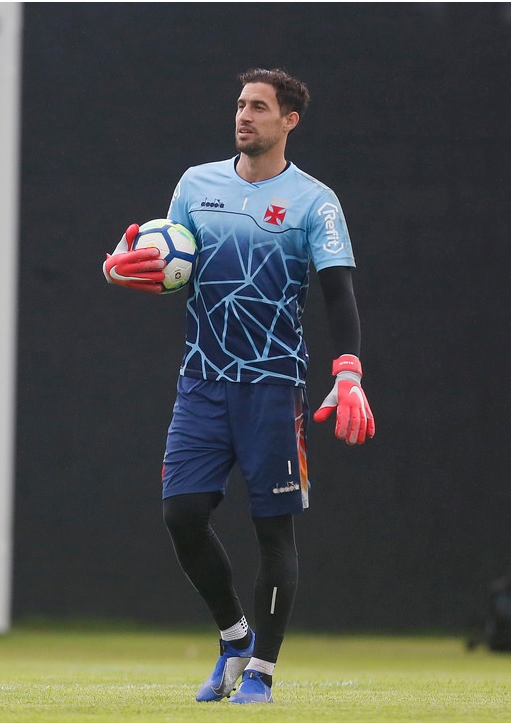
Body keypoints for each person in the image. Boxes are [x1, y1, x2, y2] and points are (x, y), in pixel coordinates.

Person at [102, 68, 375, 704]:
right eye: (240, 105)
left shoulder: (314, 201)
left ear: (290, 121)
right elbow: (168, 265)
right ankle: (233, 639)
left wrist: (349, 370)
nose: (244, 115)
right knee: (183, 516)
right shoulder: (196, 185)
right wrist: (122, 270)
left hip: (273, 388)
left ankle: (262, 674)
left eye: (259, 107)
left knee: (273, 532)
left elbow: (339, 292)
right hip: (201, 382)